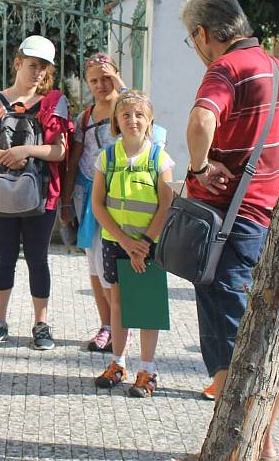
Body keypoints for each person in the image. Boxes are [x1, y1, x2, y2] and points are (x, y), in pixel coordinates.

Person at [180, 0, 279, 459]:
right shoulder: (275, 68)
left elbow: (200, 122)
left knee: (230, 343)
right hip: (267, 221)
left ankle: (242, 450)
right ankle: (260, 443)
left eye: (190, 39)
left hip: (227, 227)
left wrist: (198, 168)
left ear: (203, 34)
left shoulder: (226, 69)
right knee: (271, 335)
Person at [0, 35, 71, 351]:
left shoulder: (54, 102)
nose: (38, 73)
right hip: (0, 193)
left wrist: (25, 150)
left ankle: (41, 324)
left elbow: (59, 151)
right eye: (32, 65)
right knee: (4, 258)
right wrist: (5, 155)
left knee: (38, 258)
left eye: (44, 68)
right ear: (17, 63)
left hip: (42, 196)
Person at [90, 91, 174, 397]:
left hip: (149, 245)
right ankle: (118, 363)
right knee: (120, 302)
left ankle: (147, 370)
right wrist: (126, 242)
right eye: (126, 115)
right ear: (116, 121)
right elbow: (99, 205)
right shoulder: (107, 157)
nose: (133, 120)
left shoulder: (159, 158)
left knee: (147, 306)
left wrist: (144, 243)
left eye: (139, 114)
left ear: (150, 120)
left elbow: (166, 204)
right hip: (117, 243)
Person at [60, 53, 127, 352]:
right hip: (87, 196)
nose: (101, 84)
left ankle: (121, 325)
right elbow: (74, 159)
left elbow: (141, 107)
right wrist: (65, 198)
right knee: (94, 264)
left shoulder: (128, 108)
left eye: (107, 77)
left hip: (123, 197)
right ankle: (107, 326)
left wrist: (122, 88)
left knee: (114, 265)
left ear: (117, 75)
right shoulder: (84, 117)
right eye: (94, 80)